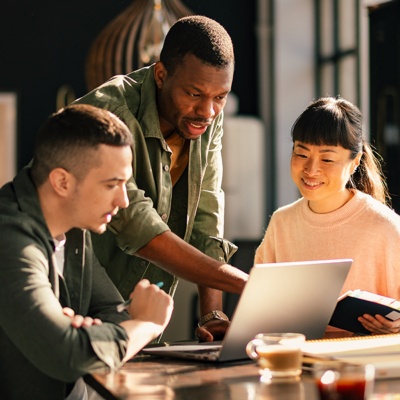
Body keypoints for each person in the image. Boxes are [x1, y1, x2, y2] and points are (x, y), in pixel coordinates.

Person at [74, 15, 248, 342]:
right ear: (161, 74)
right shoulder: (108, 111)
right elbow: (137, 225)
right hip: (73, 312)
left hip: (140, 329)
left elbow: (206, 218)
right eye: (194, 94)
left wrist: (213, 314)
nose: (208, 111)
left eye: (220, 97)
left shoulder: (206, 119)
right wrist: (250, 287)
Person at [0, 104, 174, 400]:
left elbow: (114, 311)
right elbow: (65, 354)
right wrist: (147, 324)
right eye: (112, 185)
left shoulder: (74, 227)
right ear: (62, 181)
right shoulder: (10, 240)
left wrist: (88, 339)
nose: (123, 201)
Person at [254, 96, 400, 336]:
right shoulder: (282, 222)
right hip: (295, 359)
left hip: (362, 362)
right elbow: (259, 309)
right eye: (301, 154)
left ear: (354, 163)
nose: (311, 169)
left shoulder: (384, 227)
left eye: (327, 159)